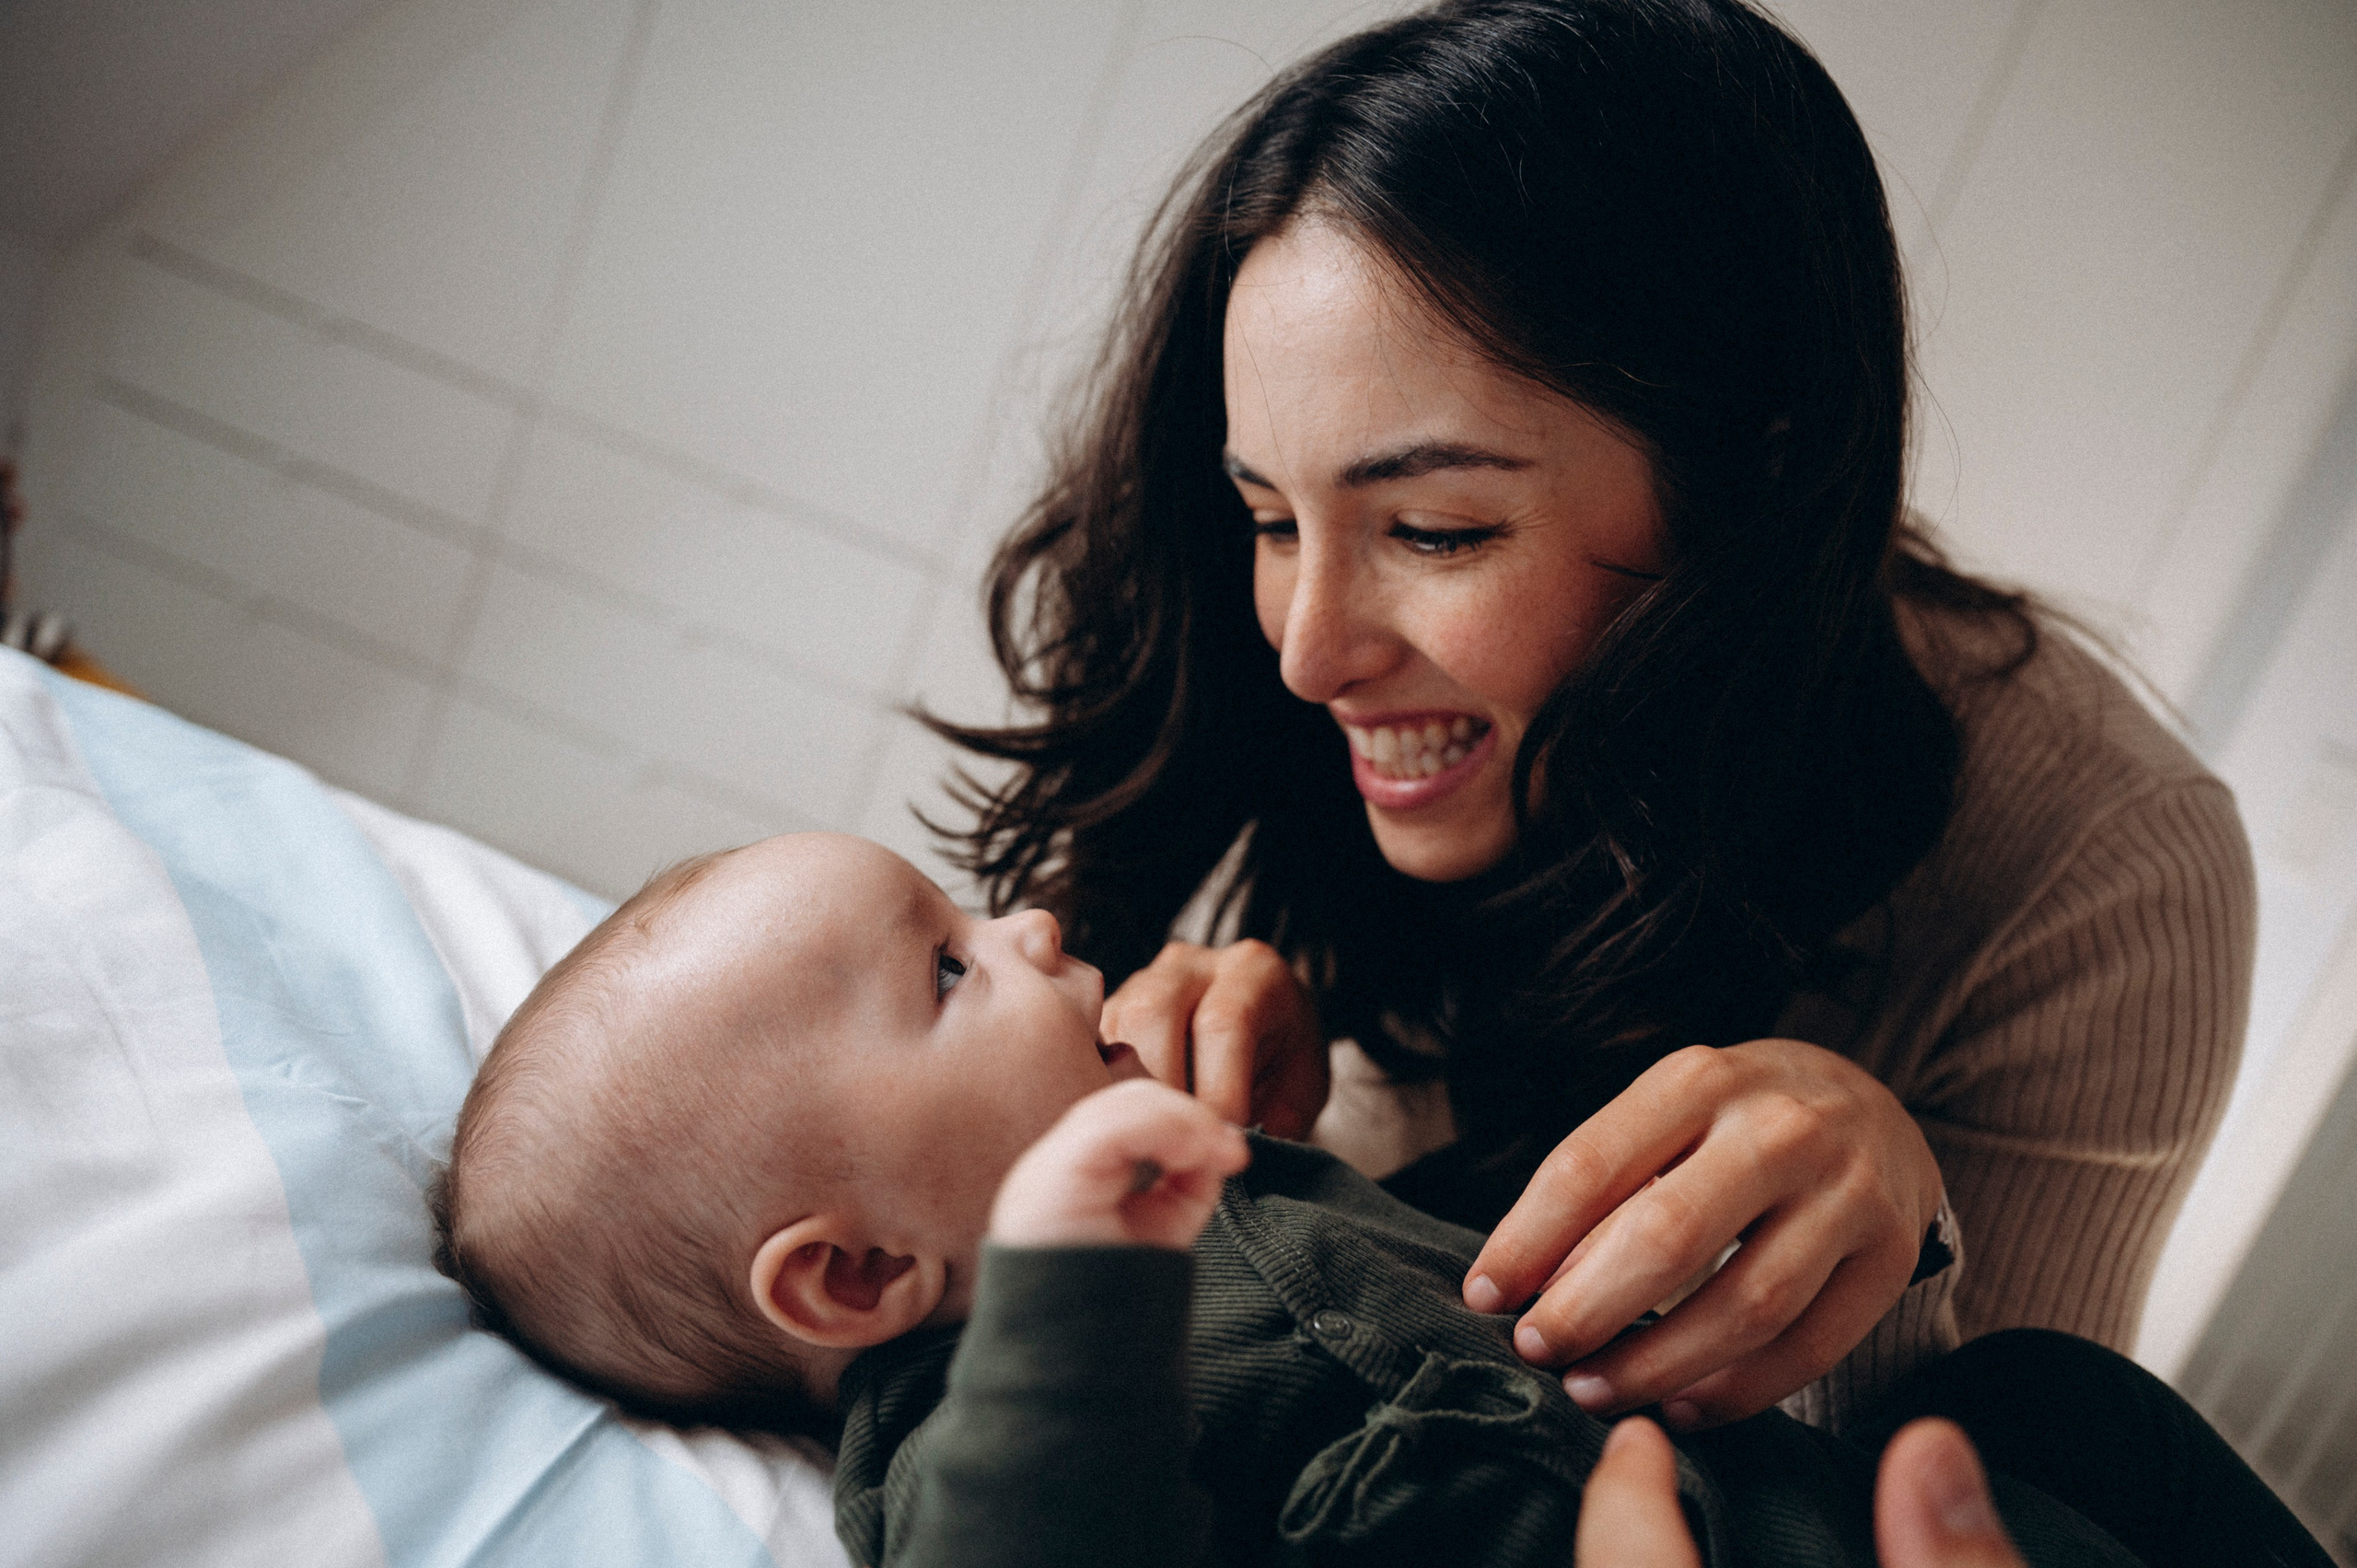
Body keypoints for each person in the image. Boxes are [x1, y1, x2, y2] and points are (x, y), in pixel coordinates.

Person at [926, 0, 2255, 1431]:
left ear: (1752, 480)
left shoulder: (2105, 871)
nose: (1309, 656)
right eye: (1267, 516)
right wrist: (1184, 1072)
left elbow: (2012, 1510)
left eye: (1434, 530)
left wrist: (1880, 1228)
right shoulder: (1261, 660)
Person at [430, 834, 2326, 1568]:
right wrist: (1066, 1289)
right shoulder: (963, 1432)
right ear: (853, 1272)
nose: (1022, 929)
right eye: (942, 972)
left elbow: (1468, 1275)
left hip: (1804, 1504)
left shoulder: (1233, 1187)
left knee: (2044, 1400)